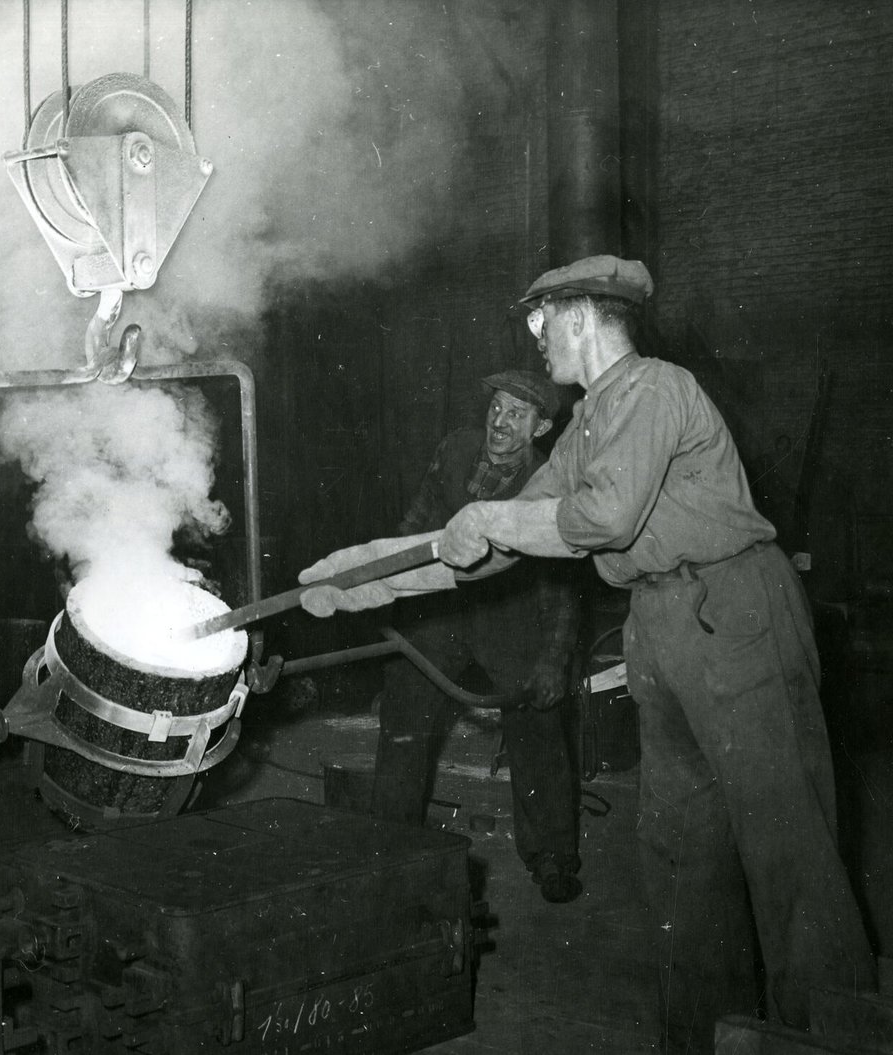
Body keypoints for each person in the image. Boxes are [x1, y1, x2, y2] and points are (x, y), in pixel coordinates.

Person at [297, 255, 875, 1053]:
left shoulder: (656, 389)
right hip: (662, 625)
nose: (535, 338)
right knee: (682, 853)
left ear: (582, 315)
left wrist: (490, 522)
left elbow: (600, 518)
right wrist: (365, 576)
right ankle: (701, 1035)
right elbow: (501, 536)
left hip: (736, 611)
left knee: (786, 844)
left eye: (541, 320)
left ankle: (831, 1033)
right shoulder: (588, 423)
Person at [376, 370, 584, 903]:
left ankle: (552, 855)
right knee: (404, 707)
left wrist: (552, 662)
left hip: (507, 613)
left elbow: (560, 587)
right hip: (441, 608)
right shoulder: (456, 449)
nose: (500, 421)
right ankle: (389, 844)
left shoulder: (549, 483)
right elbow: (416, 523)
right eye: (497, 407)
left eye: (518, 414)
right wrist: (385, 583)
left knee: (538, 719)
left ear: (540, 428)